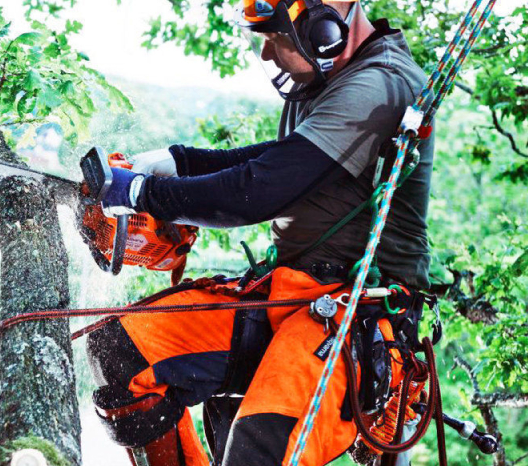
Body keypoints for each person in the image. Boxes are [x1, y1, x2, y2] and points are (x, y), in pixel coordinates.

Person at [87, 0, 435, 465]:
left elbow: (261, 188)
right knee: (121, 346)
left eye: (276, 38)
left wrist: (146, 195)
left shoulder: (381, 84)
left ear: (326, 28)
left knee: (259, 448)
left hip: (353, 310)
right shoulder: (328, 80)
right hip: (291, 293)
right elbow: (277, 158)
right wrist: (181, 163)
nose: (267, 54)